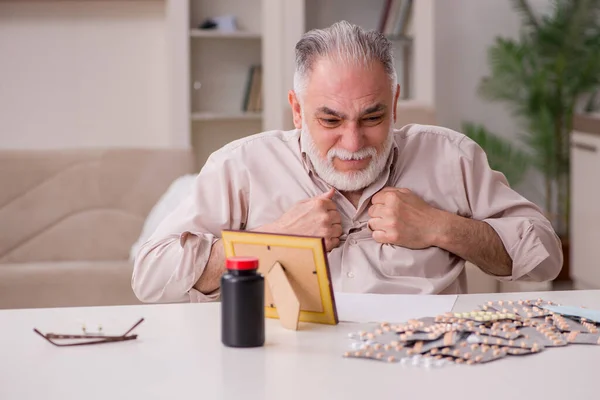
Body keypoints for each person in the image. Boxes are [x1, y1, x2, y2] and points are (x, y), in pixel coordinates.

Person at [131, 21, 562, 303]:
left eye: (373, 117)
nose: (353, 142)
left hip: (423, 371)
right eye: (330, 119)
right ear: (297, 110)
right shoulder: (240, 166)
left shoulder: (452, 156)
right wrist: (274, 239)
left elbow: (545, 257)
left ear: (394, 103)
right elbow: (151, 276)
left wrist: (440, 227)